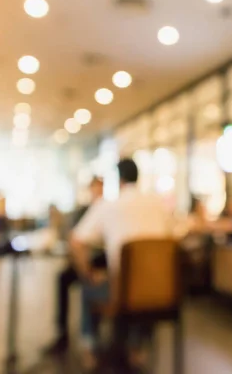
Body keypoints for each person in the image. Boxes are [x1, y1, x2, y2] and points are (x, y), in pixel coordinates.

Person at [71, 159, 173, 370]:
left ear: (119, 179)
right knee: (141, 291)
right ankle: (136, 347)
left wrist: (88, 272)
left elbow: (76, 240)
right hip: (161, 292)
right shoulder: (159, 204)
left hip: (122, 291)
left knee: (89, 288)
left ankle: (90, 347)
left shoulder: (108, 204)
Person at [44, 177, 105, 354]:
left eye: (99, 187)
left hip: (101, 262)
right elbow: (74, 239)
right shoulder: (83, 211)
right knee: (65, 277)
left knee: (91, 285)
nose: (97, 191)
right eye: (94, 187)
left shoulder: (106, 208)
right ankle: (64, 334)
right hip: (86, 262)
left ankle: (90, 341)